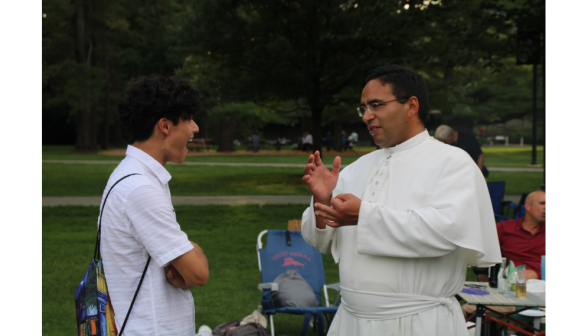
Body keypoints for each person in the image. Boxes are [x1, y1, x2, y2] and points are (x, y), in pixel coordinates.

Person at [300, 65, 501, 336]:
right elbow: (321, 242)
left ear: (411, 105)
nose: (367, 116)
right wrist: (321, 202)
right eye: (363, 108)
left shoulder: (453, 163)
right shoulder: (358, 168)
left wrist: (366, 215)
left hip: (419, 322)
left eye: (376, 105)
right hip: (351, 322)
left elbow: (448, 232)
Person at [102, 76, 210, 335]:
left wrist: (181, 253)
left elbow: (181, 273)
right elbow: (198, 274)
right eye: (189, 119)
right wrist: (190, 249)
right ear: (165, 125)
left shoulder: (130, 175)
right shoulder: (140, 189)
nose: (195, 128)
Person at [462, 191, 545, 334]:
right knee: (466, 309)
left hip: (540, 289)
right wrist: (486, 280)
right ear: (528, 206)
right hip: (506, 287)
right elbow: (481, 252)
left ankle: (510, 332)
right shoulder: (505, 228)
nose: (547, 208)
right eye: (543, 203)